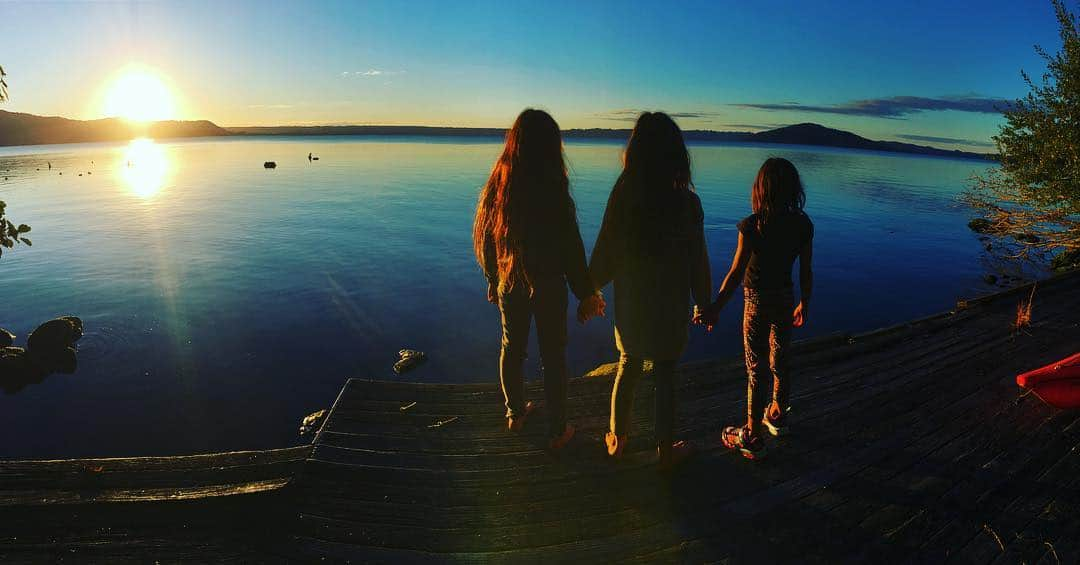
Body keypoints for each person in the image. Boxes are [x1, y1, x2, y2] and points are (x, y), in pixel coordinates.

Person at [473, 108, 605, 450]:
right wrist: (585, 292)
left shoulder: (499, 186)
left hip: (510, 281)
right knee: (554, 355)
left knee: (511, 349)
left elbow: (487, 239)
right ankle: (557, 430)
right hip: (548, 284)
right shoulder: (554, 189)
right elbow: (572, 249)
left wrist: (492, 277)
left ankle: (515, 413)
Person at [590, 112, 710, 469]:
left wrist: (590, 289)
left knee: (628, 364)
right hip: (671, 306)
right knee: (666, 373)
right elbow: (698, 261)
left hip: (632, 305)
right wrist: (703, 301)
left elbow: (606, 248)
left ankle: (618, 439)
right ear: (677, 154)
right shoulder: (688, 203)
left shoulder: (624, 194)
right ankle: (664, 450)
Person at [695, 157, 814, 460]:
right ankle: (777, 414)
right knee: (780, 357)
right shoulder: (802, 225)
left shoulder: (752, 226)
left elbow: (735, 274)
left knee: (755, 366)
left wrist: (714, 308)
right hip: (786, 299)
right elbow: (806, 271)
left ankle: (751, 435)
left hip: (757, 303)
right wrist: (805, 302)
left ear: (760, 189)